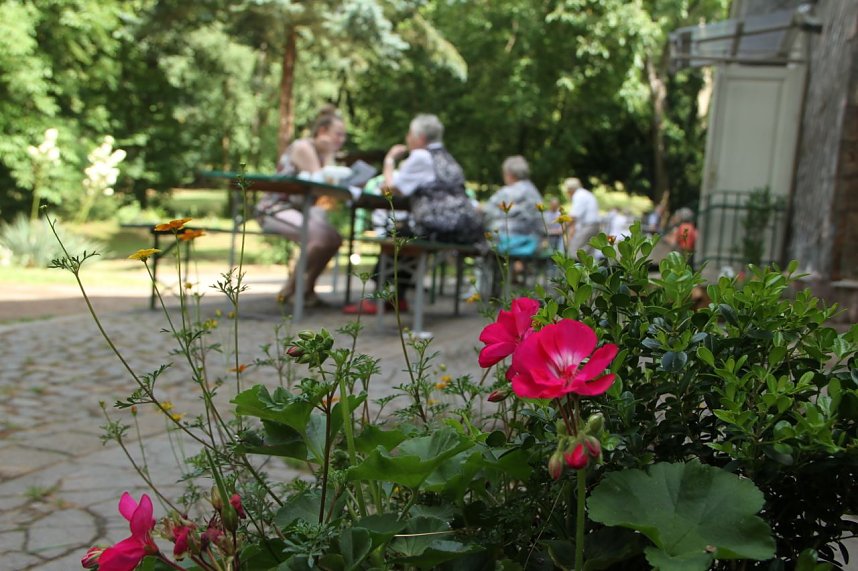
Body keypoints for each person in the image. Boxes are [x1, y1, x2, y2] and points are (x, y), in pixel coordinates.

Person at [343, 113, 483, 315]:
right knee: (406, 233)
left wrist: (390, 160)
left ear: (420, 137)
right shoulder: (449, 159)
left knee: (399, 235)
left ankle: (379, 298)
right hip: (466, 228)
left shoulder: (421, 156)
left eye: (409, 133)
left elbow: (390, 190)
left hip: (440, 225)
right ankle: (397, 297)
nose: (407, 138)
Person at [255, 106, 346, 307]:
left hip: (297, 211)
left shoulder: (323, 155)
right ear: (322, 132)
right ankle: (291, 287)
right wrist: (331, 154)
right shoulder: (303, 147)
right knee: (320, 238)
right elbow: (322, 183)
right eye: (338, 135)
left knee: (335, 239)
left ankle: (307, 289)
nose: (341, 140)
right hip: (274, 208)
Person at [483, 155, 545, 255]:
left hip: (507, 243)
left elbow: (486, 212)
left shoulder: (506, 192)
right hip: (533, 243)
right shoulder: (535, 192)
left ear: (510, 174)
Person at [565, 177, 601, 257]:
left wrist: (563, 226)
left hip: (588, 226)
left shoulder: (578, 195)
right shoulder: (585, 193)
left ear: (570, 189)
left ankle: (575, 269)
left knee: (574, 250)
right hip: (594, 225)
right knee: (588, 252)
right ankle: (589, 269)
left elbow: (574, 216)